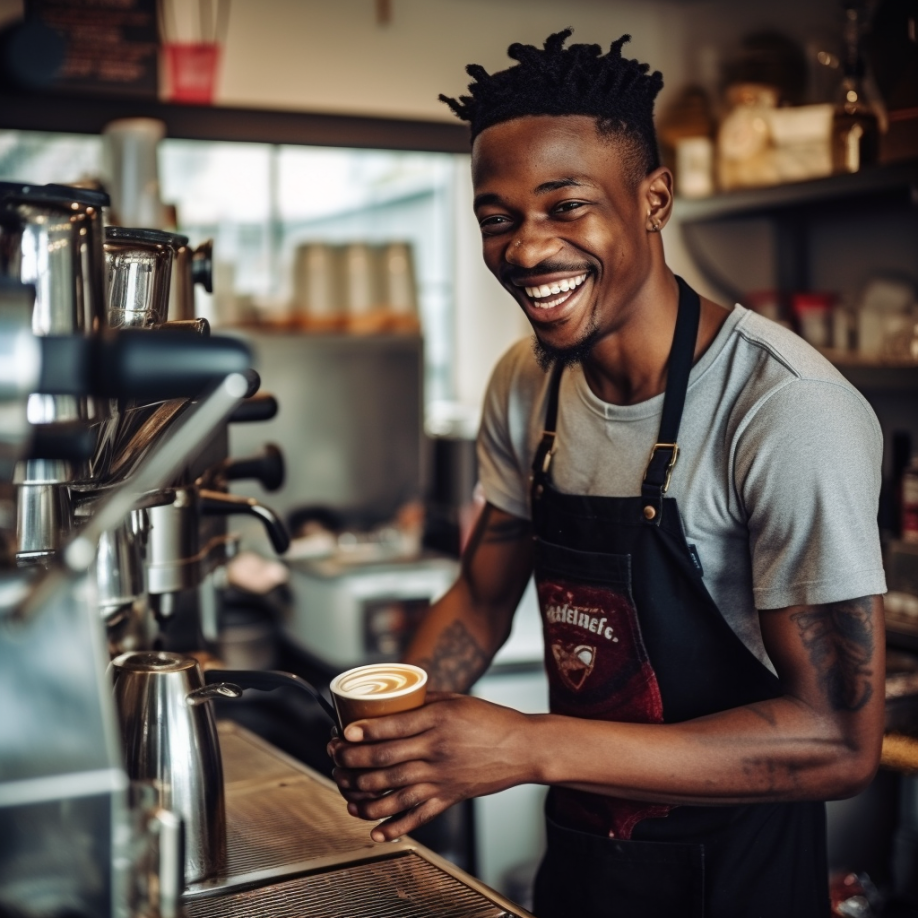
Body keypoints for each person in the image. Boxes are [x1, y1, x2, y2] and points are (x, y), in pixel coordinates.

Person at [328, 30, 887, 918]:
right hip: (588, 868)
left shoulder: (784, 410)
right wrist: (405, 734)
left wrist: (529, 746)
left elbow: (839, 743)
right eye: (497, 217)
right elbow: (479, 596)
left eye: (566, 207)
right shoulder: (529, 384)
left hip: (738, 884)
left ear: (654, 198)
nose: (523, 249)